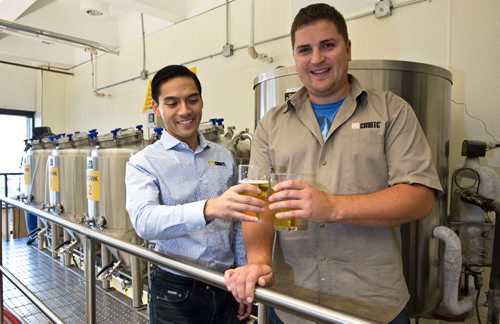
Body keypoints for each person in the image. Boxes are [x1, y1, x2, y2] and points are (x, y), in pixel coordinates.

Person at [224, 3, 442, 323]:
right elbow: (259, 203)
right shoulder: (272, 124)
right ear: (295, 56)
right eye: (304, 49)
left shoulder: (391, 111)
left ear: (348, 48)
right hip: (291, 304)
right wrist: (258, 260)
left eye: (328, 45)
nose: (316, 59)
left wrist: (332, 207)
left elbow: (420, 197)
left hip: (372, 306)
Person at [125, 65, 265, 323]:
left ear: (201, 100)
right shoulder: (143, 162)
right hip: (176, 291)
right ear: (156, 108)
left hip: (225, 285)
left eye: (192, 100)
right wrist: (209, 208)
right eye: (172, 103)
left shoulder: (223, 155)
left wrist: (243, 271)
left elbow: (236, 223)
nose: (185, 111)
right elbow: (144, 221)